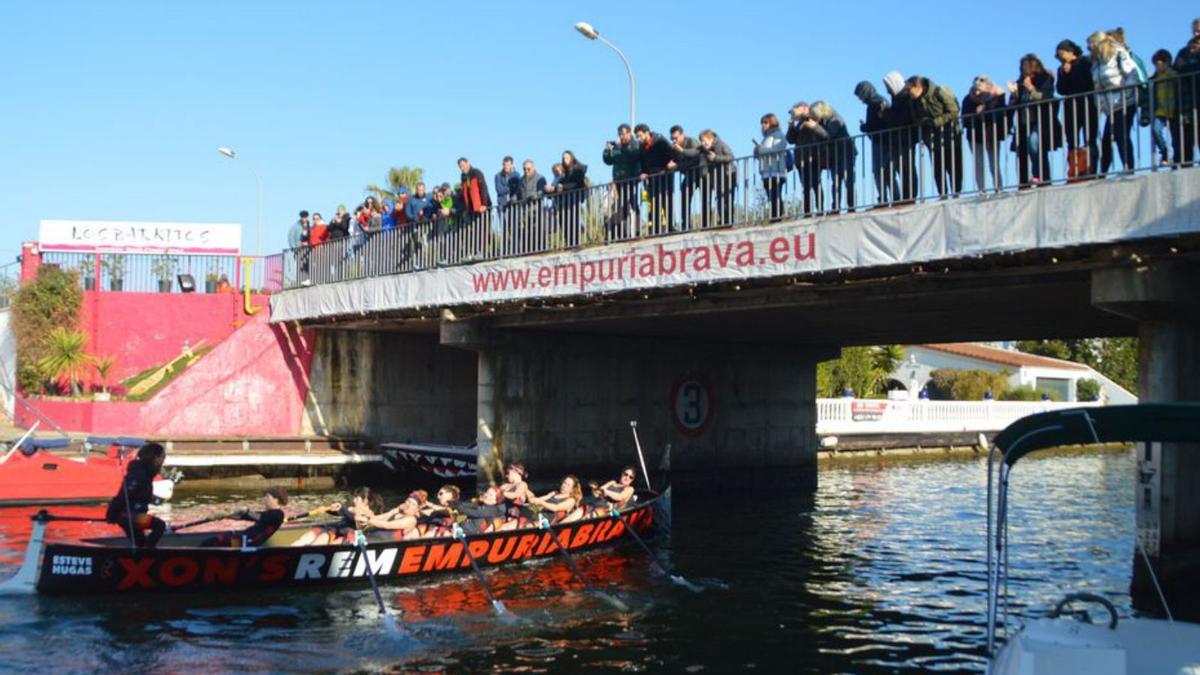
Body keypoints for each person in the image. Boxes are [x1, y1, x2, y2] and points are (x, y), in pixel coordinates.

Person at [1089, 31, 1143, 174]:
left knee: (1120, 135)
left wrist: (1125, 94)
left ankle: (1128, 167)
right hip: (1110, 106)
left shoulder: (1119, 53)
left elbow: (1132, 74)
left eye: (1090, 46)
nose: (1090, 50)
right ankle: (1103, 172)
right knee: (1107, 139)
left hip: (1125, 102)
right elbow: (1097, 86)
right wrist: (1099, 104)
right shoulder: (1097, 63)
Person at [1007, 54, 1061, 188]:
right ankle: (1023, 182)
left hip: (1040, 120)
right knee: (1023, 149)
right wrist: (1014, 95)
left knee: (1035, 143)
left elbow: (1045, 97)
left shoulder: (1045, 78)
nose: (1022, 70)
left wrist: (1031, 88)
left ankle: (1042, 176)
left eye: (1024, 67)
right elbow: (1014, 105)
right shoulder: (1020, 82)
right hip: (1024, 122)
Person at [906, 75, 963, 197]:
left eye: (909, 89)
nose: (908, 93)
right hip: (932, 140)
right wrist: (923, 122)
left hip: (950, 135)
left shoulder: (938, 92)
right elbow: (915, 119)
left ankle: (956, 193)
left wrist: (937, 121)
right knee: (938, 169)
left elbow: (954, 110)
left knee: (954, 166)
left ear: (918, 87)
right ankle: (942, 194)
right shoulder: (912, 102)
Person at [104, 443, 169, 548]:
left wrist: (153, 499)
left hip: (132, 515)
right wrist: (112, 513)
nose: (163, 462)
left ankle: (141, 557)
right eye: (162, 458)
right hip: (131, 517)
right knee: (159, 526)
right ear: (155, 458)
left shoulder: (145, 473)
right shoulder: (139, 473)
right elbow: (125, 493)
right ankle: (147, 555)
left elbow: (139, 493)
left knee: (140, 543)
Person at [1056, 39, 1100, 178]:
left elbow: (1088, 82)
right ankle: (1074, 170)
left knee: (1090, 139)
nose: (1060, 57)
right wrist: (1065, 74)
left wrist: (1073, 71)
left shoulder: (1085, 62)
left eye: (1062, 54)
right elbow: (1061, 89)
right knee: (1071, 140)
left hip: (1088, 104)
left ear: (1071, 52)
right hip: (1071, 107)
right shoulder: (1061, 69)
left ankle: (1091, 169)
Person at [961, 76, 1009, 195]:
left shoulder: (996, 97)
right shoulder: (968, 99)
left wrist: (985, 110)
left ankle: (999, 188)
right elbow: (965, 119)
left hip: (991, 134)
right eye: (976, 87)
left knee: (994, 163)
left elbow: (1000, 114)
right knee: (978, 163)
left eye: (980, 87)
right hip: (975, 135)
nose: (977, 91)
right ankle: (982, 190)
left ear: (988, 86)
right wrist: (976, 113)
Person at [200, 487, 288, 548]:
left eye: (267, 497)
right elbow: (243, 516)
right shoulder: (267, 513)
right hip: (243, 539)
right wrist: (224, 515)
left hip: (247, 543)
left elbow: (258, 517)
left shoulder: (278, 515)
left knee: (209, 543)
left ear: (276, 499)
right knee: (207, 542)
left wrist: (247, 511)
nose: (264, 499)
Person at [809, 101, 857, 212]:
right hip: (835, 155)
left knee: (848, 180)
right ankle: (835, 207)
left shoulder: (835, 119)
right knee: (835, 182)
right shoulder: (823, 122)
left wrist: (815, 127)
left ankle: (851, 206)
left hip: (846, 152)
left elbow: (829, 135)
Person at [854, 80, 898, 205]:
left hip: (881, 141)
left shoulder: (876, 102)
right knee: (887, 172)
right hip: (883, 140)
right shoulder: (877, 102)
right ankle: (895, 197)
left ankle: (885, 198)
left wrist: (864, 127)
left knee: (879, 171)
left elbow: (876, 123)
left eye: (860, 95)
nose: (860, 99)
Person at [290, 487, 380, 546]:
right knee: (303, 539)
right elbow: (339, 512)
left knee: (319, 541)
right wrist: (327, 509)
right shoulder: (351, 508)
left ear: (366, 500)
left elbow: (354, 518)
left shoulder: (369, 513)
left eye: (357, 498)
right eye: (354, 497)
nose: (354, 500)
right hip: (334, 528)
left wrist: (342, 508)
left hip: (345, 534)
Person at [883, 70, 918, 204]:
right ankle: (902, 197)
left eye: (888, 87)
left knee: (907, 169)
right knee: (896, 169)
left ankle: (909, 197)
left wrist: (886, 113)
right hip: (897, 140)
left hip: (905, 139)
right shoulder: (897, 98)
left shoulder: (906, 97)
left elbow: (902, 119)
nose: (887, 91)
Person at [603, 123, 642, 238]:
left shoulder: (635, 144)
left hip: (632, 178)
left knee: (633, 204)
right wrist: (607, 151)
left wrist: (622, 148)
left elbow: (633, 157)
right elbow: (608, 161)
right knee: (623, 205)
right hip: (619, 180)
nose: (621, 137)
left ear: (629, 133)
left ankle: (637, 231)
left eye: (623, 134)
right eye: (620, 134)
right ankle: (624, 233)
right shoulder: (617, 147)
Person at [785, 101, 824, 216]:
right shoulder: (799, 124)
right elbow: (791, 139)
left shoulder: (812, 117)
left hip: (813, 157)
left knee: (816, 184)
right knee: (806, 187)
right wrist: (791, 125)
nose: (793, 113)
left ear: (803, 108)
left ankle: (820, 209)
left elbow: (815, 126)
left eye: (795, 110)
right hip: (801, 159)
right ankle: (807, 212)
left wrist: (802, 117)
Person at [635, 123, 675, 234]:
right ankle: (655, 229)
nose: (638, 139)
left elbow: (671, 155)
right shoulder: (642, 147)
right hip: (652, 177)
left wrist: (669, 165)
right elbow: (643, 163)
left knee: (666, 201)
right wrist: (643, 172)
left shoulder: (660, 141)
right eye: (637, 137)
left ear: (647, 133)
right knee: (653, 202)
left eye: (640, 135)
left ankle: (670, 227)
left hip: (665, 175)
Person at [697, 129, 736, 227]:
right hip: (717, 178)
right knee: (719, 200)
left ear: (710, 138)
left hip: (728, 174)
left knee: (727, 199)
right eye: (701, 141)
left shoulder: (721, 144)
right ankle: (722, 221)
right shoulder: (704, 149)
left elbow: (731, 157)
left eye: (704, 140)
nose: (703, 143)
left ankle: (727, 221)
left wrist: (716, 158)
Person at [754, 112, 789, 221]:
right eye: (762, 123)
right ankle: (774, 216)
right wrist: (757, 151)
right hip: (766, 172)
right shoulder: (766, 138)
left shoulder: (778, 135)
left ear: (772, 122)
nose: (763, 125)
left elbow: (779, 148)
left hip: (776, 171)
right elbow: (763, 153)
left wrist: (762, 150)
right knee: (771, 195)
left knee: (775, 194)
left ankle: (777, 216)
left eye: (766, 122)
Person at [1149, 49, 1180, 166]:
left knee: (1176, 137)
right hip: (1160, 110)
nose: (1157, 66)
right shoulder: (1154, 78)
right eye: (1155, 64)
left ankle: (1176, 160)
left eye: (1159, 63)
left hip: (1174, 109)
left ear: (1166, 63)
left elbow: (1177, 78)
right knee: (1156, 130)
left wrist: (1168, 71)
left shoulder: (1172, 74)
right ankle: (1164, 152)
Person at [668, 125, 702, 230]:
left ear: (683, 135)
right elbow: (673, 161)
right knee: (684, 196)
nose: (674, 140)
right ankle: (685, 223)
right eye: (672, 138)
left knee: (704, 198)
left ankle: (705, 224)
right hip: (689, 176)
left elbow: (697, 158)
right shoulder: (674, 148)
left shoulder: (692, 142)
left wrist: (678, 165)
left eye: (676, 138)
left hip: (701, 174)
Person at [1176, 35, 1200, 166]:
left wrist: (1184, 67)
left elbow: (1192, 71)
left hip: (1195, 103)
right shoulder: (1184, 54)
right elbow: (1176, 69)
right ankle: (1186, 164)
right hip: (1187, 105)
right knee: (1186, 138)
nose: (1193, 50)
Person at [558, 150, 588, 247]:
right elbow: (564, 182)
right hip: (566, 201)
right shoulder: (565, 172)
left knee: (573, 221)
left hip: (574, 199)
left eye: (566, 158)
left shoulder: (578, 169)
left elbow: (576, 183)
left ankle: (574, 243)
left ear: (571, 158)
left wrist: (563, 187)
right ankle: (569, 242)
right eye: (563, 158)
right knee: (564, 220)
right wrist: (554, 188)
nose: (564, 160)